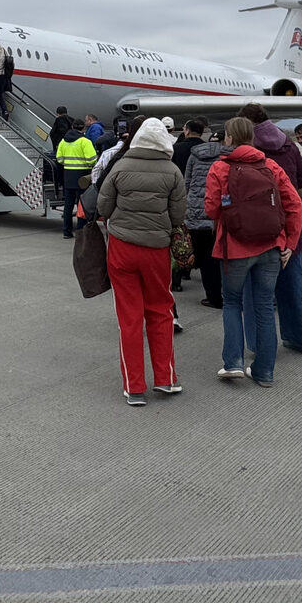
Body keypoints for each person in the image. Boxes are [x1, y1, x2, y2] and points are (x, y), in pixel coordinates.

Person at [205, 117, 302, 387]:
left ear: (228, 138)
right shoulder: (271, 166)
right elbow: (295, 205)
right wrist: (290, 243)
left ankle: (233, 363)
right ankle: (264, 372)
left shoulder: (220, 168)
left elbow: (211, 209)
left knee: (233, 303)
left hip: (234, 248)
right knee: (263, 307)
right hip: (271, 246)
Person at [97, 118, 188, 405]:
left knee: (129, 317)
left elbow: (103, 207)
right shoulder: (172, 171)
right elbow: (177, 217)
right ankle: (166, 378)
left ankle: (134, 386)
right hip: (157, 249)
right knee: (161, 310)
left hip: (122, 247)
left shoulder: (120, 167)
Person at [245, 105, 302, 356]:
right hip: (290, 222)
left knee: (256, 291)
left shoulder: (249, 148)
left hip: (259, 226)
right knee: (294, 284)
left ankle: (258, 344)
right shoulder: (288, 144)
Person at [183, 125, 228, 309]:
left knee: (205, 259)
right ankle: (227, 294)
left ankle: (213, 296)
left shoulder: (195, 155)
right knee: (222, 257)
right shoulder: (227, 157)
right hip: (218, 213)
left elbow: (187, 182)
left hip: (196, 211)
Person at [169, 119, 207, 290]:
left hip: (179, 195)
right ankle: (197, 266)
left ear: (187, 131)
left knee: (180, 237)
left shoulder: (177, 149)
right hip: (200, 198)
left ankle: (179, 276)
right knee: (198, 237)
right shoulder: (206, 150)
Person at [56, 122, 96, 239]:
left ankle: (66, 231)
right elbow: (92, 159)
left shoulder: (63, 141)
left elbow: (59, 159)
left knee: (68, 205)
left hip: (68, 175)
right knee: (81, 205)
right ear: (83, 128)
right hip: (82, 176)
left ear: (72, 127)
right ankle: (80, 230)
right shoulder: (85, 141)